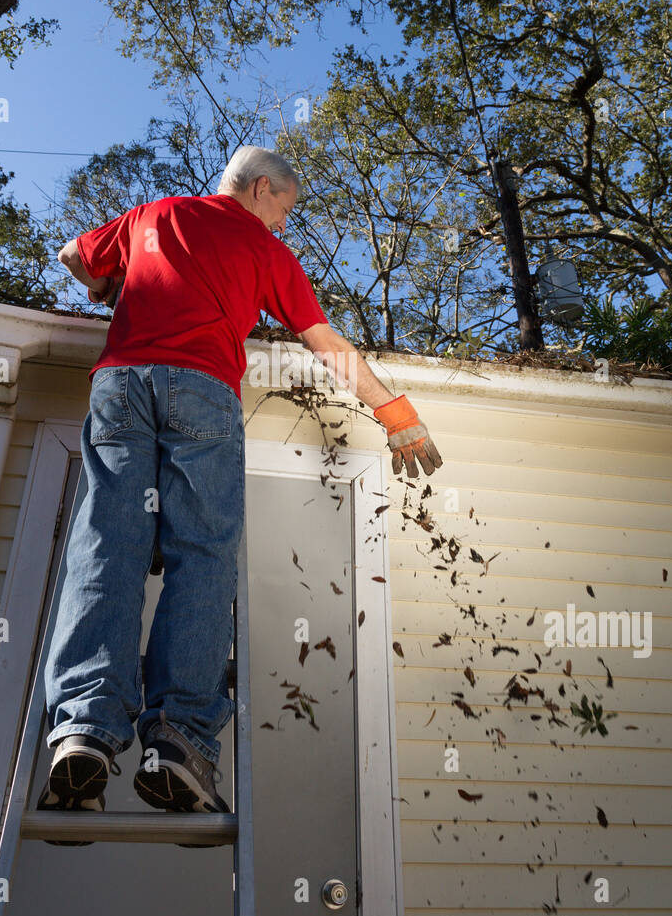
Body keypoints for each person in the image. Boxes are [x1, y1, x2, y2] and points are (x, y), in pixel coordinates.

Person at [38, 146, 442, 841]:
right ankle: (177, 742)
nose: (283, 224)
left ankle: (83, 731)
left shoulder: (152, 215)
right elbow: (326, 344)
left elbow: (74, 254)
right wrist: (395, 414)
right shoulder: (266, 252)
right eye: (284, 209)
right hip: (202, 392)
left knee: (106, 545)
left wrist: (106, 289)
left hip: (121, 387)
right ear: (261, 189)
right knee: (202, 556)